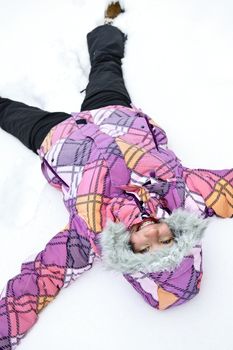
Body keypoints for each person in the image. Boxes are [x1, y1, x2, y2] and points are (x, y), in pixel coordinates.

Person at [0, 2, 232, 349]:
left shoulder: (90, 235)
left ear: (130, 256)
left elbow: (40, 280)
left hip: (58, 139)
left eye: (145, 248)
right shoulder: (186, 195)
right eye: (167, 240)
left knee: (10, 114)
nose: (153, 232)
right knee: (106, 65)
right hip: (113, 114)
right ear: (182, 235)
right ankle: (109, 24)